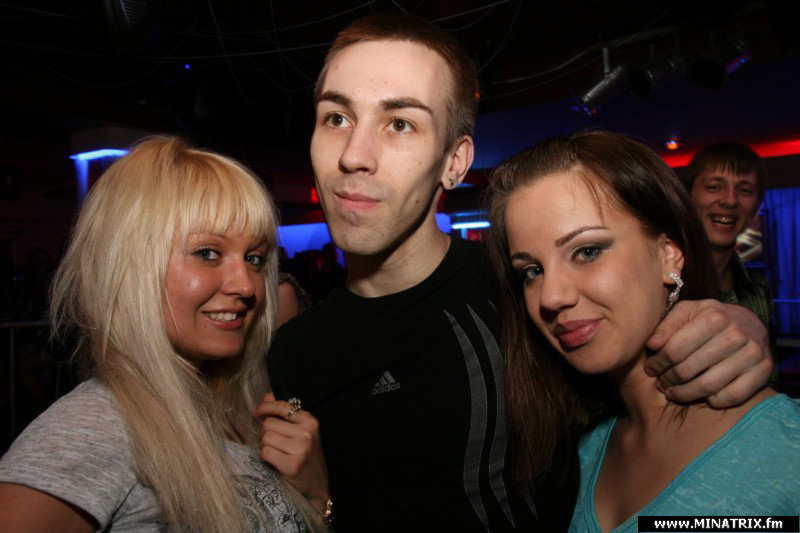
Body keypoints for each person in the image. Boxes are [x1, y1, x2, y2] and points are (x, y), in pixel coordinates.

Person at [261, 13, 773, 532]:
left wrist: (732, 324)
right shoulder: (293, 352)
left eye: (400, 123)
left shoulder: (521, 298)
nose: (354, 156)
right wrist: (317, 503)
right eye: (336, 118)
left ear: (455, 162)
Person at [0, 136, 327, 532]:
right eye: (207, 253)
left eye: (255, 258)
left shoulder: (237, 408)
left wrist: (316, 497)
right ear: (131, 265)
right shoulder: (94, 430)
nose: (247, 285)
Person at [487, 131, 799, 532]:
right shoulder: (581, 454)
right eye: (531, 271)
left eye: (587, 251)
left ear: (669, 254)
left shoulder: (785, 446)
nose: (551, 296)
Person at [684, 142, 774, 329]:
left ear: (755, 208)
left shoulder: (758, 289)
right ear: (687, 197)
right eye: (714, 187)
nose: (730, 200)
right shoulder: (661, 283)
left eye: (744, 190)